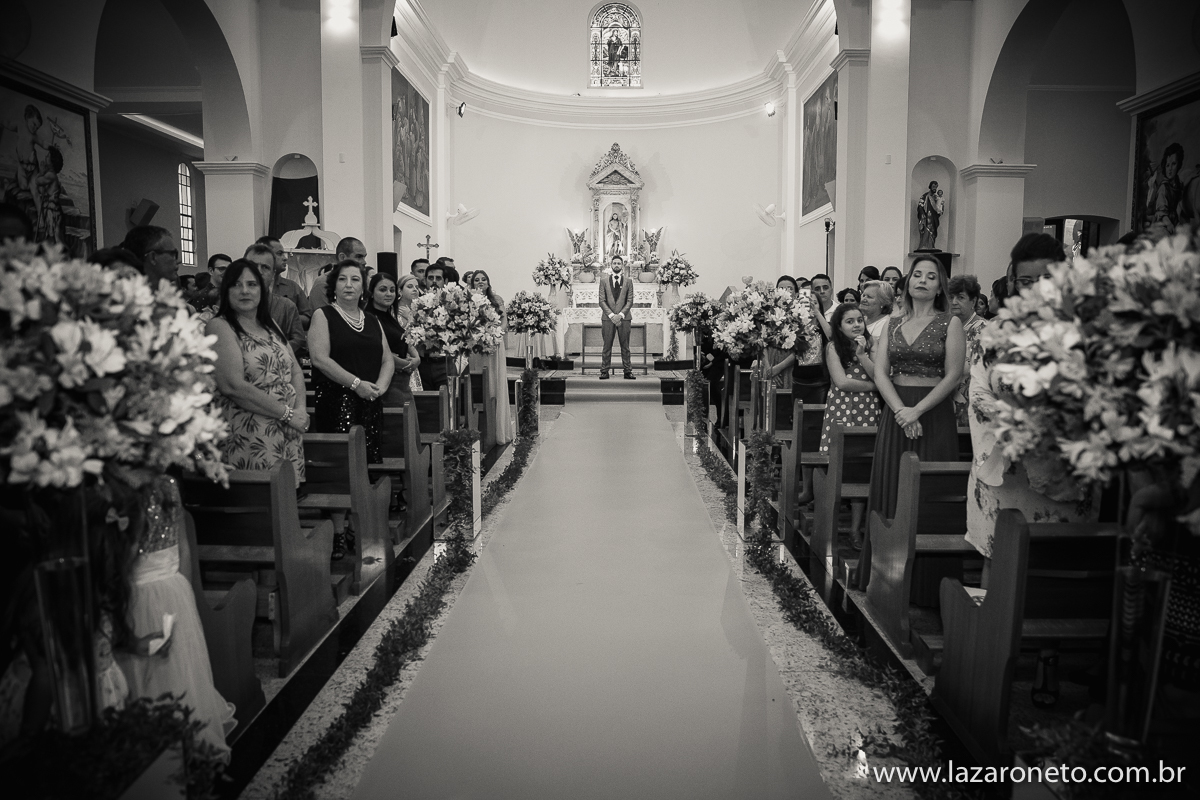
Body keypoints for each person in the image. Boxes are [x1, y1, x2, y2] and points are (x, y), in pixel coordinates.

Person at [965, 234, 1100, 709]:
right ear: (1012, 281)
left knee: (1055, 566)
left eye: (1047, 278)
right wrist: (1015, 423)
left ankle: (1047, 657)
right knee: (997, 555)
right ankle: (985, 645)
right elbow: (977, 392)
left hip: (1059, 470)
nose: (1037, 287)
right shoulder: (990, 331)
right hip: (1005, 466)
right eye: (1027, 279)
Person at [857, 254, 964, 590]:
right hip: (896, 415)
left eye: (931, 277)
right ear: (906, 283)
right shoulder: (891, 324)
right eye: (917, 274)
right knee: (893, 488)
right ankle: (886, 577)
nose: (922, 280)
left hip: (933, 417)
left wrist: (916, 412)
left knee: (930, 495)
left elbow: (954, 376)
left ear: (939, 287)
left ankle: (930, 584)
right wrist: (901, 410)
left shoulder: (951, 324)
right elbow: (880, 371)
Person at [206, 259, 308, 480]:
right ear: (226, 290)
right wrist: (288, 414)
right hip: (250, 432)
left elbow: (296, 371)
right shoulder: (220, 326)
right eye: (236, 284)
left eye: (252, 284)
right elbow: (233, 386)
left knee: (288, 503)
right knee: (264, 504)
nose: (244, 291)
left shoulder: (270, 324)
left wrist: (299, 411)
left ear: (263, 290)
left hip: (287, 430)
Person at [309, 261, 394, 466]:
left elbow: (387, 359)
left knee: (369, 462)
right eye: (342, 279)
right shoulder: (323, 315)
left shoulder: (372, 320)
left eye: (355, 279)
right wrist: (357, 384)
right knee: (343, 466)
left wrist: (379, 389)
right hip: (337, 401)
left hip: (369, 400)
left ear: (363, 288)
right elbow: (320, 359)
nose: (349, 285)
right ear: (334, 286)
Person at [819, 304, 881, 548]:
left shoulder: (871, 344)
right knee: (837, 466)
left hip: (867, 411)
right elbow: (842, 382)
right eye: (850, 321)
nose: (856, 325)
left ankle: (855, 529)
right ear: (839, 325)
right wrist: (875, 388)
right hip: (841, 409)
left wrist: (864, 354)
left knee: (861, 468)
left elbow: (878, 373)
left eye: (859, 320)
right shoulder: (833, 346)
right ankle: (828, 525)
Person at [364, 272, 419, 409]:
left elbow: (404, 337)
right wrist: (406, 364)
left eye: (392, 290)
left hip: (402, 381)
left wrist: (417, 358)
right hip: (388, 382)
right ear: (371, 293)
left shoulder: (390, 316)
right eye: (383, 290)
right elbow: (379, 351)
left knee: (410, 425)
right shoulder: (369, 318)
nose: (388, 294)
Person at [469, 270, 513, 444]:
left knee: (495, 380)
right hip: (476, 346)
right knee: (479, 380)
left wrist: (494, 334)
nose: (480, 282)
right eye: (477, 280)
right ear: (472, 283)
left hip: (494, 343)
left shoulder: (497, 300)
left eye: (483, 279)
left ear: (488, 282)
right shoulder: (468, 301)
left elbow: (504, 322)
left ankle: (498, 427)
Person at [244, 244, 306, 355]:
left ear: (273, 274)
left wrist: (275, 353)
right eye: (252, 266)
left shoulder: (286, 306)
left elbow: (298, 339)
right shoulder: (230, 304)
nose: (258, 271)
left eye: (265, 267)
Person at [947, 274, 987, 426]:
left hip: (972, 402)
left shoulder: (983, 330)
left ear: (974, 301)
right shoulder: (947, 326)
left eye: (961, 297)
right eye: (951, 297)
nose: (954, 302)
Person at [256, 235, 313, 326]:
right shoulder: (249, 286)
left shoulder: (292, 287)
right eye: (279, 253)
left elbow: (308, 319)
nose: (285, 258)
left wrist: (285, 315)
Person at [600, 255, 635, 379]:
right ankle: (604, 371)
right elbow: (601, 300)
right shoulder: (603, 281)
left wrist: (620, 315)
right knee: (607, 345)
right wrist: (611, 315)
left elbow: (630, 301)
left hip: (624, 318)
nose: (616, 265)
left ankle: (628, 371)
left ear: (622, 265)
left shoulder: (628, 281)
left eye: (618, 263)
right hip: (607, 318)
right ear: (611, 265)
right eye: (614, 263)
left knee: (625, 346)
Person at [308, 237, 368, 310]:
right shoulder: (323, 283)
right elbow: (325, 317)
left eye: (364, 257)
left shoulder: (363, 280)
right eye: (359, 257)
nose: (364, 262)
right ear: (342, 257)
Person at [416, 263, 449, 390]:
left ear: (445, 281)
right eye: (430, 278)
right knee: (426, 405)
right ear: (425, 280)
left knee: (447, 403)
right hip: (424, 362)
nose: (434, 281)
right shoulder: (417, 303)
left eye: (438, 278)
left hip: (445, 362)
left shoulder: (453, 304)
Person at [765, 276, 801, 388]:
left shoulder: (801, 315)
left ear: (796, 294)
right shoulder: (767, 313)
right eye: (781, 288)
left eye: (790, 289)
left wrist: (778, 368)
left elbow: (801, 349)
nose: (785, 292)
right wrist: (769, 369)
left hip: (790, 366)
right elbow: (761, 344)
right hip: (768, 364)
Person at [917, 180, 945, 250]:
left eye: (936, 187)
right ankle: (924, 246)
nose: (934, 188)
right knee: (927, 230)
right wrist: (922, 214)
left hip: (934, 218)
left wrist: (941, 208)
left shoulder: (936, 198)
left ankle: (931, 246)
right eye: (933, 186)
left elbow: (938, 207)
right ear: (930, 187)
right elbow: (920, 205)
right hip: (927, 217)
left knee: (933, 231)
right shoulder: (925, 196)